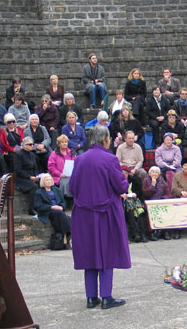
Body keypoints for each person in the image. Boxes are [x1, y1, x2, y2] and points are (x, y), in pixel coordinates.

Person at [69, 125, 129, 310]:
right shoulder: (110, 159)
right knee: (107, 252)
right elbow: (121, 187)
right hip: (106, 213)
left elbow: (72, 188)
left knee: (89, 253)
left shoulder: (79, 159)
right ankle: (106, 296)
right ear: (105, 140)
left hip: (84, 214)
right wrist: (125, 179)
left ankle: (90, 297)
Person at [35, 174, 71, 249]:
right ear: (43, 182)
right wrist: (52, 207)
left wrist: (61, 206)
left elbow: (63, 202)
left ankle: (64, 236)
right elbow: (38, 206)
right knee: (60, 214)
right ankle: (68, 234)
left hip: (59, 211)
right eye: (46, 180)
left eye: (50, 180)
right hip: (47, 211)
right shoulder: (39, 192)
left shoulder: (56, 190)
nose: (49, 181)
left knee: (62, 214)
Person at [121, 165, 151, 243]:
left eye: (125, 173)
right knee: (130, 211)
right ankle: (135, 233)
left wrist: (135, 194)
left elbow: (139, 191)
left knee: (140, 211)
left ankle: (143, 234)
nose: (124, 175)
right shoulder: (117, 181)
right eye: (122, 173)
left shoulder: (133, 180)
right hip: (123, 202)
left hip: (135, 200)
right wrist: (121, 195)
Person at [142, 166, 170, 240]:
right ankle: (152, 233)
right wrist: (152, 185)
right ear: (150, 173)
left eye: (156, 172)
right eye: (153, 172)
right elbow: (145, 194)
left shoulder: (162, 180)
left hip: (160, 201)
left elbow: (167, 192)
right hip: (150, 202)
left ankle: (165, 232)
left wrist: (163, 199)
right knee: (150, 213)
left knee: (165, 211)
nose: (154, 174)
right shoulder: (146, 181)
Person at [15, 137, 39, 216]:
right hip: (22, 178)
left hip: (31, 176)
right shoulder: (19, 155)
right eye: (29, 144)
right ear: (24, 145)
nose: (32, 146)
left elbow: (35, 167)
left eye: (32, 144)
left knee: (42, 184)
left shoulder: (32, 155)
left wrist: (36, 175)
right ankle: (31, 208)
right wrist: (29, 177)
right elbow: (18, 170)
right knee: (34, 187)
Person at [47, 134, 76, 199]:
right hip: (58, 176)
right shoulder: (54, 154)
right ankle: (65, 200)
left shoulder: (72, 153)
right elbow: (51, 167)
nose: (64, 144)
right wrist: (59, 174)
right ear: (59, 144)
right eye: (62, 142)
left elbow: (76, 163)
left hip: (71, 175)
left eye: (66, 142)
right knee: (65, 182)